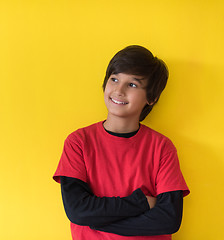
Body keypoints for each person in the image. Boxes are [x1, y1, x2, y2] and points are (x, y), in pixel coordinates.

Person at [53, 45, 190, 240]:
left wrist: (96, 220)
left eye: (132, 85)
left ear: (151, 98)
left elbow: (169, 219)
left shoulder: (162, 147)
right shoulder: (78, 142)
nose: (118, 90)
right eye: (114, 79)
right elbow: (77, 211)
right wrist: (141, 202)